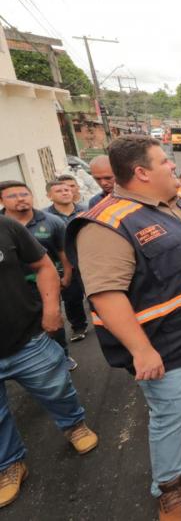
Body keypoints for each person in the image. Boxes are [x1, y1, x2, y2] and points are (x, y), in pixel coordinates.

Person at [66, 135, 181, 520]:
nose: (174, 166)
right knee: (169, 413)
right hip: (164, 344)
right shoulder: (107, 224)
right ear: (142, 172)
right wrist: (141, 350)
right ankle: (170, 486)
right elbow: (106, 295)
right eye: (164, 161)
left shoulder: (179, 204)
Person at [0, 215, 98, 508]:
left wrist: (52, 310)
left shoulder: (6, 227)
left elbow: (43, 266)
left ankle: (74, 425)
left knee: (55, 389)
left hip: (26, 338)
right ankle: (9, 464)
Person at [0, 181, 77, 371]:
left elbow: (62, 253)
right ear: (1, 200)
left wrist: (66, 276)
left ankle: (62, 358)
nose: (20, 199)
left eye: (24, 194)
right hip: (15, 292)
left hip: (45, 286)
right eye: (12, 196)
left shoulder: (52, 221)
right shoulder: (4, 227)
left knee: (53, 324)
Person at [45, 180, 89, 343]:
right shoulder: (46, 218)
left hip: (87, 260)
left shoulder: (86, 211)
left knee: (97, 293)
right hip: (64, 265)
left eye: (67, 189)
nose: (65, 192)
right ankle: (78, 326)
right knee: (71, 297)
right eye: (58, 191)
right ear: (49, 196)